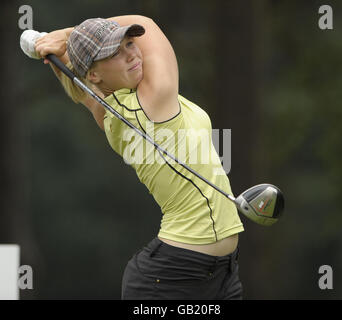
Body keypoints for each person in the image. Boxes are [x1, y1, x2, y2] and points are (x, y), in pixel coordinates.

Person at [35, 15, 244, 300]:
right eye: (114, 52)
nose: (131, 54)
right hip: (174, 276)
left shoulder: (111, 109)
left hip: (220, 275)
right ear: (94, 75)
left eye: (130, 43)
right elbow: (146, 23)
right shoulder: (153, 100)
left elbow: (85, 89)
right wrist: (69, 34)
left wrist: (64, 48)